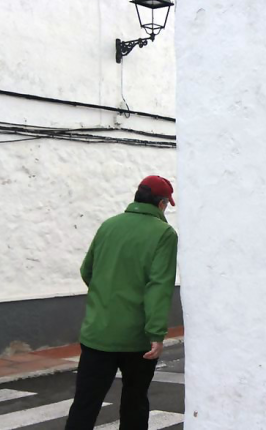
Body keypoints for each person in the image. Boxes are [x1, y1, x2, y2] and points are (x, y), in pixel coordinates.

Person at [65, 175, 178, 430]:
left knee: (85, 404)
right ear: (161, 204)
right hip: (137, 339)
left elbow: (87, 271)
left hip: (97, 333)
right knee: (134, 403)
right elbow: (158, 286)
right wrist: (156, 333)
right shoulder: (164, 234)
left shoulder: (108, 226)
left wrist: (106, 297)